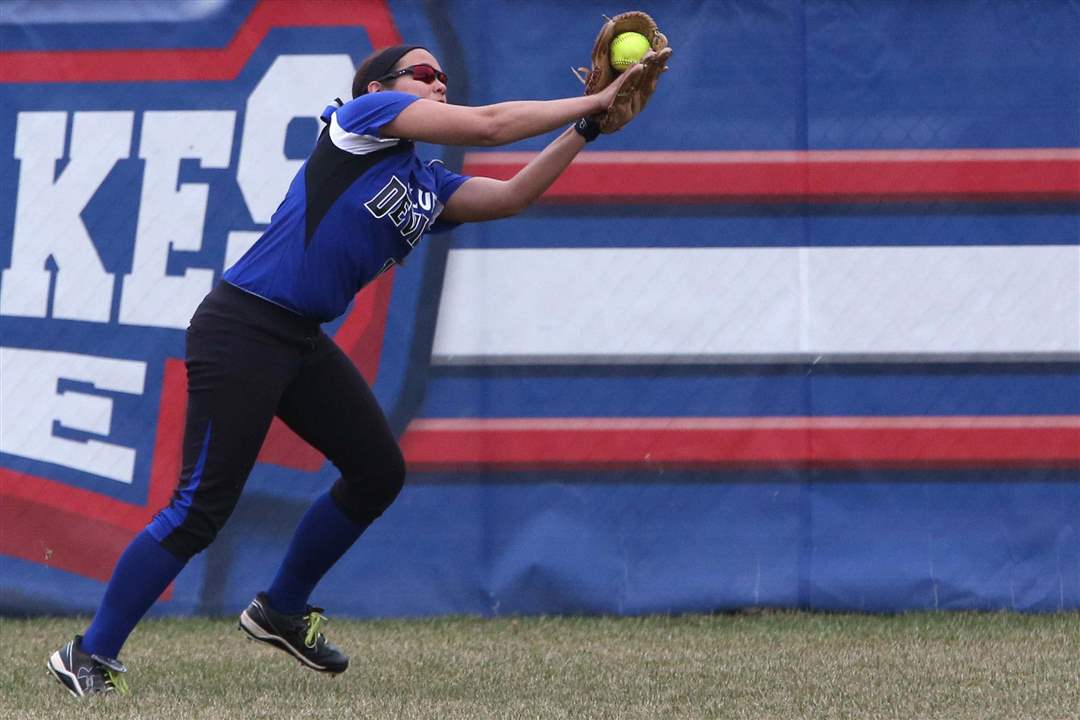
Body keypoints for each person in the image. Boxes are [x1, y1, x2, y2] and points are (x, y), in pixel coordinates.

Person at [46, 44, 654, 697]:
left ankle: (280, 607)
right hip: (243, 326)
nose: (438, 80)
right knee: (201, 509)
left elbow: (509, 196)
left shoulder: (425, 182)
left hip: (297, 338)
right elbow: (491, 127)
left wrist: (588, 129)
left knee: (377, 472)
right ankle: (88, 654)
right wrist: (594, 97)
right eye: (423, 73)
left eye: (444, 75)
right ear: (378, 86)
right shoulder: (365, 120)